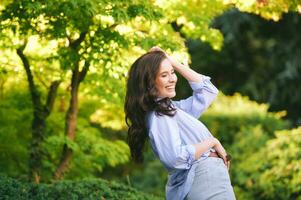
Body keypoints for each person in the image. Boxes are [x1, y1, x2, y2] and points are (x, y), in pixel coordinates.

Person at [124, 46, 236, 200]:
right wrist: (212, 142)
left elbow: (207, 91)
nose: (173, 79)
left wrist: (169, 60)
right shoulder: (159, 115)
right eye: (164, 75)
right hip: (205, 179)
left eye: (172, 72)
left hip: (207, 179)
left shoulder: (171, 110)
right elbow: (175, 158)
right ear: (149, 83)